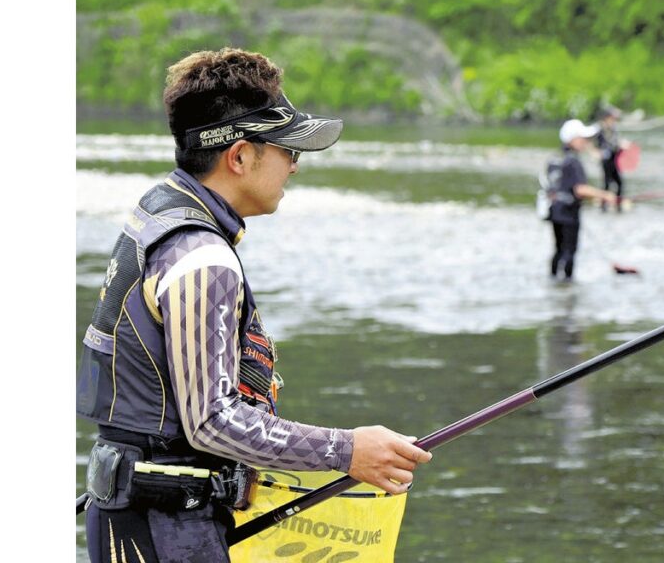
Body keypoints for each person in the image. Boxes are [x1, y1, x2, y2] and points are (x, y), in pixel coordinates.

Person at [75, 48, 433, 563]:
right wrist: (348, 450)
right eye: (287, 149)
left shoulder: (158, 210)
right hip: (167, 528)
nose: (295, 165)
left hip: (140, 512)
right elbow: (212, 421)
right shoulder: (202, 259)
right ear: (240, 157)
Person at [544, 119, 618, 280]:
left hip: (554, 211)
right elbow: (580, 189)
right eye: (582, 138)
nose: (586, 141)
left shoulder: (554, 158)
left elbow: (556, 186)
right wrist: (606, 195)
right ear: (572, 139)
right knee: (569, 250)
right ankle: (567, 283)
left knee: (558, 249)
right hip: (569, 213)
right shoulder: (573, 161)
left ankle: (554, 281)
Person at [593, 106, 633, 212]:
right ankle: (604, 206)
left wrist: (622, 145)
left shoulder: (613, 128)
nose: (614, 120)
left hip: (614, 159)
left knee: (619, 183)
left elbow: (615, 142)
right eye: (612, 117)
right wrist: (596, 152)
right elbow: (601, 144)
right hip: (606, 160)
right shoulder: (600, 129)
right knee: (607, 183)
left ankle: (618, 204)